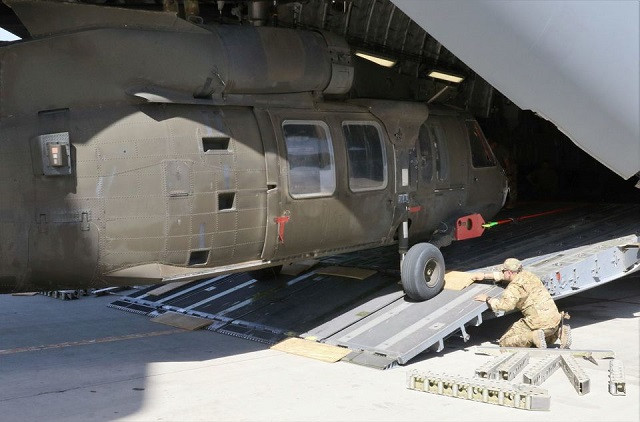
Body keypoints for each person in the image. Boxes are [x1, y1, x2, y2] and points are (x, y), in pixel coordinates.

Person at [472, 258, 570, 348]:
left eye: (503, 271)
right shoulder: (529, 275)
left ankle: (532, 336)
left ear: (509, 272)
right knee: (544, 339)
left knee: (505, 342)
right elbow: (504, 276)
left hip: (538, 322)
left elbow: (506, 306)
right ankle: (559, 332)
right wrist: (484, 276)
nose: (502, 272)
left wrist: (488, 299)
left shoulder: (513, 287)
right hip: (555, 319)